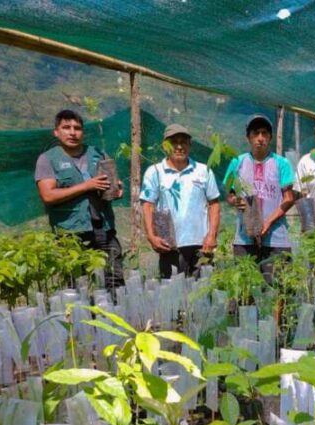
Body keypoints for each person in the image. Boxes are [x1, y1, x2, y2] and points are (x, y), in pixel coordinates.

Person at [34, 108, 125, 290]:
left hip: (103, 227)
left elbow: (111, 182)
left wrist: (116, 188)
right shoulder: (48, 159)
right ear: (56, 132)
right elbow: (48, 195)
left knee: (115, 278)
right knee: (78, 284)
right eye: (66, 127)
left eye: (77, 128)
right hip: (71, 233)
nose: (73, 132)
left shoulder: (97, 154)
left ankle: (116, 314)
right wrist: (86, 186)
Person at [141, 124, 221, 279]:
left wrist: (212, 235)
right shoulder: (155, 172)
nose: (179, 146)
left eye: (183, 142)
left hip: (201, 246)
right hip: (170, 246)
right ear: (165, 146)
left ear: (190, 145)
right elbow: (148, 205)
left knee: (202, 293)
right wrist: (151, 236)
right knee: (173, 296)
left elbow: (214, 204)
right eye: (173, 142)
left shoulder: (203, 171)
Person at [223, 114, 296, 280]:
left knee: (279, 288)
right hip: (244, 237)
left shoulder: (282, 163)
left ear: (270, 137)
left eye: (264, 133)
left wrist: (268, 222)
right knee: (245, 290)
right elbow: (230, 195)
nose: (260, 138)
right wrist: (235, 201)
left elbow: (289, 198)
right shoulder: (237, 162)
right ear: (248, 137)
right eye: (255, 133)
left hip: (276, 238)